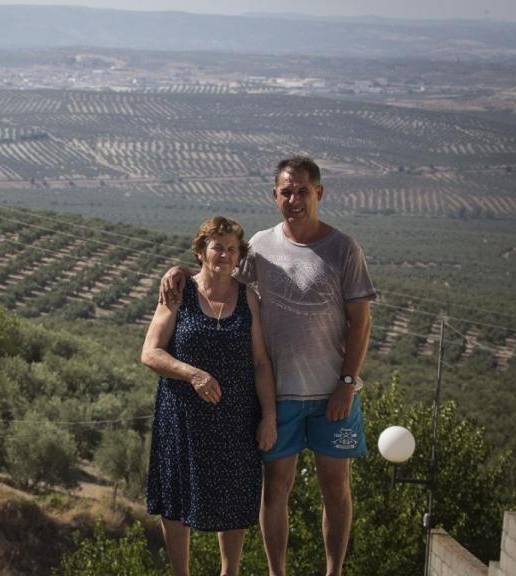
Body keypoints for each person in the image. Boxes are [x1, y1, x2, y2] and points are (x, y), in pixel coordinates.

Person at [160, 156, 376, 576]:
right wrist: (179, 271)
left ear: (319, 193)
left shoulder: (343, 248)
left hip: (334, 390)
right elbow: (218, 271)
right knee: (275, 490)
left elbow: (361, 323)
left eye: (302, 190)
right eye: (286, 191)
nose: (294, 199)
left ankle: (334, 572)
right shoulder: (260, 244)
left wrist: (347, 384)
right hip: (279, 394)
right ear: (274, 195)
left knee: (336, 488)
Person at [141, 216, 277, 576]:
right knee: (176, 498)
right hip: (182, 417)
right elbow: (150, 353)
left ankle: (229, 573)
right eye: (218, 246)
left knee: (234, 498)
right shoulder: (178, 292)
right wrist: (193, 374)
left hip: (236, 418)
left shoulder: (249, 298)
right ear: (201, 251)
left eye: (233, 249)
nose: (226, 255)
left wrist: (269, 416)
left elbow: (262, 363)